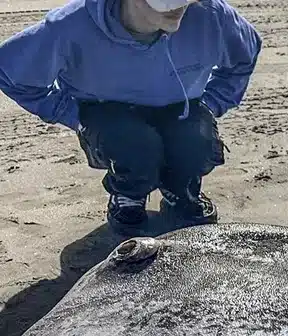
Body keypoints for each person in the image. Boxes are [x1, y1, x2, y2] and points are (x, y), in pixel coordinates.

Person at [0, 0, 261, 237]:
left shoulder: (211, 14)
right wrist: (73, 116)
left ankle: (181, 191)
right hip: (107, 114)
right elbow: (9, 71)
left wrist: (211, 104)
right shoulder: (70, 26)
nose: (178, 5)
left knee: (196, 140)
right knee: (134, 146)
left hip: (180, 108)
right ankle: (128, 195)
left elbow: (246, 53)